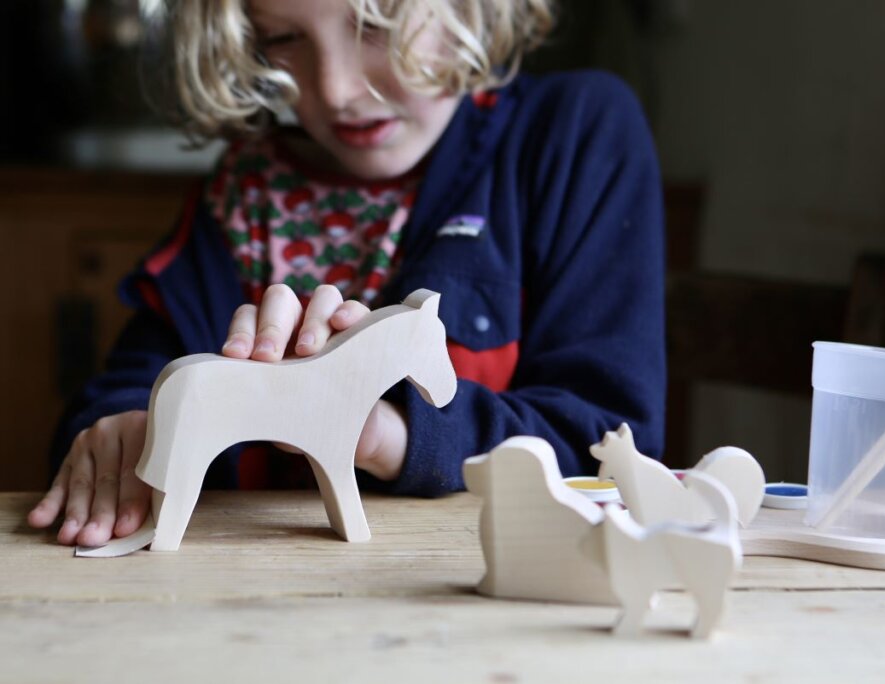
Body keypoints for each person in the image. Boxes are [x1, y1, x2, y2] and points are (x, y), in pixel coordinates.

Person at [28, 0, 666, 547]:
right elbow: (125, 384)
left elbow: (607, 448)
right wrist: (127, 432)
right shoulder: (245, 186)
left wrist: (388, 434)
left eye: (375, 22)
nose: (333, 88)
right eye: (283, 37)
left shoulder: (574, 133)